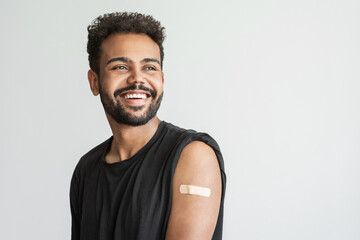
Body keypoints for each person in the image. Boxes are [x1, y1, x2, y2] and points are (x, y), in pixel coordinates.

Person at [70, 12, 226, 240]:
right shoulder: (86, 169)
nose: (137, 79)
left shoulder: (193, 156)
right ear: (94, 82)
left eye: (149, 68)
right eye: (120, 67)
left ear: (162, 80)